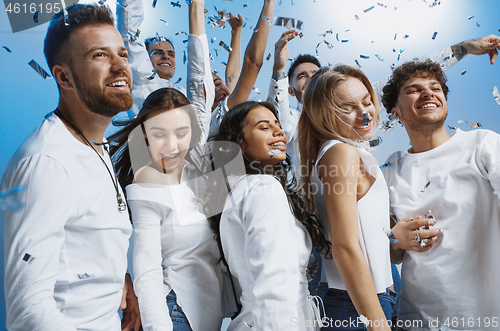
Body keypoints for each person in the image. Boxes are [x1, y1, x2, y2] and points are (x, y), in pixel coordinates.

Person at [1, 4, 140, 330]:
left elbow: (82, 242)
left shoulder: (95, 144)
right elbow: (27, 311)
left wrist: (118, 277)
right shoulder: (46, 164)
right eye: (100, 56)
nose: (120, 65)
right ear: (64, 76)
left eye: (122, 53)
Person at [110, 1, 223, 330]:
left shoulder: (196, 125)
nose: (165, 57)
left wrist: (196, 7)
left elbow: (201, 78)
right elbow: (130, 37)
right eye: (156, 52)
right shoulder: (147, 94)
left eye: (170, 52)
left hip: (209, 309)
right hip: (174, 305)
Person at [380, 42, 500, 330]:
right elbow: (389, 250)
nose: (428, 92)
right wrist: (396, 240)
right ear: (396, 112)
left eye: (435, 87)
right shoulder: (388, 169)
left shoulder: (482, 144)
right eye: (413, 89)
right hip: (414, 321)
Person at [299, 65, 409, 331]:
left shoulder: (343, 152)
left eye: (367, 102)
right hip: (358, 306)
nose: (364, 113)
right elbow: (345, 247)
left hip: (368, 302)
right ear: (323, 115)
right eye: (348, 108)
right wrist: (377, 323)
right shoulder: (340, 153)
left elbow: (366, 237)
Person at [207, 100, 331, 330]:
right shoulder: (264, 187)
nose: (278, 132)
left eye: (278, 125)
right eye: (264, 127)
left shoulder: (243, 191)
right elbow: (272, 286)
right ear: (239, 145)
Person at [209, 0, 277, 135]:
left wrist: (236, 31)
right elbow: (252, 63)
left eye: (218, 83)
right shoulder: (215, 121)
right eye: (208, 87)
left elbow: (233, 76)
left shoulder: (226, 113)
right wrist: (269, 3)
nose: (217, 89)